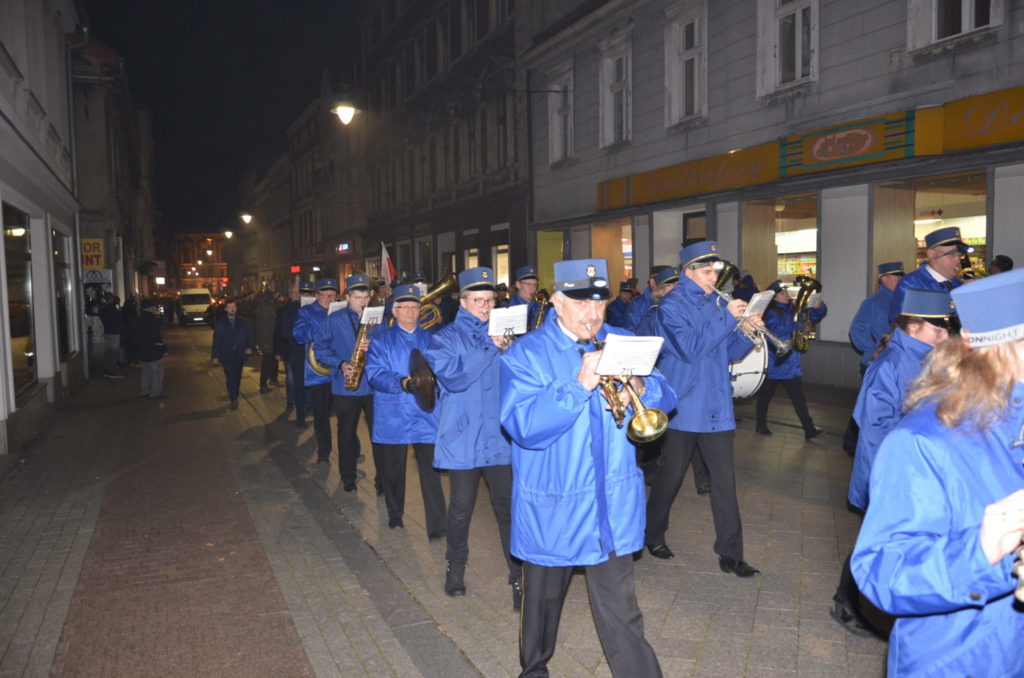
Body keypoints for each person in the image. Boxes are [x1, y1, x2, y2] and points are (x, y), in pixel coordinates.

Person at [501, 258, 674, 678]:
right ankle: (535, 670)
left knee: (623, 612)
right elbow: (523, 426)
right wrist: (577, 385)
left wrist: (642, 385)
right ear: (558, 303)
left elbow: (667, 393)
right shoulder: (527, 354)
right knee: (541, 607)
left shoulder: (623, 338)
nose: (594, 316)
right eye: (582, 306)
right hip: (554, 504)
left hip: (610, 503)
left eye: (600, 305)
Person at [851, 268, 1024, 676]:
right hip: (961, 659)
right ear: (1006, 348)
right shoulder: (925, 439)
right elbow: (882, 567)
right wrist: (983, 553)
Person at [831, 289, 956, 637]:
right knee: (875, 539)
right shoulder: (890, 363)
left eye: (946, 330)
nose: (944, 337)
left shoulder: (927, 357)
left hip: (915, 469)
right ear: (913, 326)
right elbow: (874, 426)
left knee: (884, 538)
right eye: (937, 330)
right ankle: (846, 602)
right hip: (890, 472)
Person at [645, 241, 761, 577]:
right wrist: (727, 318)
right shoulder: (671, 306)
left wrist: (748, 332)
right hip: (684, 404)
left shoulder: (715, 303)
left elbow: (727, 352)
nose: (715, 277)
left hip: (715, 405)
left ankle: (731, 553)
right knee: (670, 477)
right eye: (709, 271)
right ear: (689, 271)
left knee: (725, 482)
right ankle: (652, 534)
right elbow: (692, 349)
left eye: (716, 271)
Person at [426, 266, 521, 606]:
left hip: (498, 435)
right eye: (478, 300)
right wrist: (491, 348)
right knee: (461, 508)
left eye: (490, 300)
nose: (485, 306)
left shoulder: (507, 336)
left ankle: (518, 575)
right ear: (462, 301)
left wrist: (511, 351)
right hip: (463, 435)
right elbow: (454, 380)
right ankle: (455, 566)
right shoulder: (443, 338)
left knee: (508, 508)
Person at [364, 284, 446, 535]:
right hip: (394, 413)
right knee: (393, 470)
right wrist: (400, 382)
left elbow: (442, 373)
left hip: (426, 413)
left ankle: (437, 526)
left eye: (414, 307)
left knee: (431, 472)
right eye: (405, 307)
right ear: (395, 311)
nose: (411, 312)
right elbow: (375, 374)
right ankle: (395, 514)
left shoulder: (432, 339)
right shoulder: (381, 341)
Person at [635, 266, 711, 495]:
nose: (674, 289)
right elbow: (641, 344)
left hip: (687, 380)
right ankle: (649, 469)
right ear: (659, 291)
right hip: (660, 376)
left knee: (692, 429)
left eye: (677, 285)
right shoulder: (653, 314)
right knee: (663, 434)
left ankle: (702, 477)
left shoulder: (688, 312)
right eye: (668, 286)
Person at [312, 274, 376, 491]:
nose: (363, 302)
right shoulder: (335, 319)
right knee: (346, 433)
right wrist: (340, 364)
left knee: (379, 434)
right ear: (347, 296)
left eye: (366, 297)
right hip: (345, 386)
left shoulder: (377, 319)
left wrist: (375, 347)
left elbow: (389, 348)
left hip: (373, 386)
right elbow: (319, 348)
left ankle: (382, 480)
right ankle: (348, 477)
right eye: (358, 297)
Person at [842, 261, 905, 454]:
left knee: (876, 406)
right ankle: (855, 445)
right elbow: (857, 330)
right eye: (896, 277)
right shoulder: (873, 302)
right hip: (875, 362)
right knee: (871, 407)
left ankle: (855, 443)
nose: (901, 280)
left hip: (896, 362)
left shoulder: (903, 299)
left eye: (901, 276)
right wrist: (874, 351)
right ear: (884, 279)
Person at [754, 280, 827, 440]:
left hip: (791, 363)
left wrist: (819, 307)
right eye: (782, 293)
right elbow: (775, 330)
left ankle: (809, 429)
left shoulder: (794, 308)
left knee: (798, 398)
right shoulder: (770, 312)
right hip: (775, 362)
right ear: (774, 298)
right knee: (765, 396)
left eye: (786, 292)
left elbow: (813, 316)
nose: (786, 295)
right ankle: (760, 424)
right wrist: (795, 325)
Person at [293, 278, 339, 459]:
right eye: (325, 295)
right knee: (321, 415)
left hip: (340, 369)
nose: (329, 299)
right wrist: (324, 330)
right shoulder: (306, 312)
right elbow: (298, 335)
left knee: (346, 415)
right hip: (318, 371)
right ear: (317, 295)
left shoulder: (342, 311)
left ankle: (352, 451)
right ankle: (324, 451)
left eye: (333, 296)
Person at [888, 225, 964, 323]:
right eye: (952, 255)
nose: (958, 261)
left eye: (959, 255)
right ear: (932, 255)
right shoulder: (911, 284)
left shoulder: (959, 283)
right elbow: (902, 325)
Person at [277, 281, 314, 425]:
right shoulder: (290, 310)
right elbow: (284, 332)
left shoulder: (318, 309)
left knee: (314, 385)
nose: (306, 296)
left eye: (309, 293)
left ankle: (312, 409)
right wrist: (301, 333)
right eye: (304, 293)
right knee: (298, 385)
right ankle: (300, 415)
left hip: (315, 354)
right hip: (297, 352)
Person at [211, 298, 254, 410]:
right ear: (226, 309)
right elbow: (216, 340)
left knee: (237, 376)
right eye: (230, 307)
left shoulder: (243, 322)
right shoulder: (221, 323)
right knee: (230, 376)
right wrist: (215, 355)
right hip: (226, 354)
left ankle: (235, 394)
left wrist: (249, 347)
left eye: (234, 307)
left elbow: (248, 335)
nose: (232, 309)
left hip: (239, 354)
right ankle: (233, 398)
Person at [135, 298, 167, 399]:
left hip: (143, 349)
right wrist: (163, 349)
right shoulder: (151, 319)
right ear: (149, 307)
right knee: (156, 372)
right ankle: (155, 393)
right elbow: (156, 336)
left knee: (146, 371)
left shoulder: (139, 318)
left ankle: (143, 391)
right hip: (153, 350)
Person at [626, 265, 669, 332]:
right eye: (665, 283)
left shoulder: (673, 301)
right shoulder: (638, 304)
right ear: (652, 283)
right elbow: (631, 332)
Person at [253, 290, 278, 393]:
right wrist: (265, 343)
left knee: (272, 361)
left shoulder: (266, 306)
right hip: (267, 340)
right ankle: (263, 385)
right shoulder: (264, 308)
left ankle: (272, 380)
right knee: (267, 363)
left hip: (270, 340)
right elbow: (264, 327)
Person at [98, 293, 124, 378]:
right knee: (114, 352)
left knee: (108, 352)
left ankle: (106, 370)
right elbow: (119, 319)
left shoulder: (102, 309)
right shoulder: (113, 309)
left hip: (107, 331)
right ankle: (112, 371)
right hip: (114, 332)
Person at [508, 265, 542, 329]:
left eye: (535, 285)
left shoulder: (540, 307)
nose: (532, 288)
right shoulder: (507, 308)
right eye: (528, 284)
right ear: (518, 285)